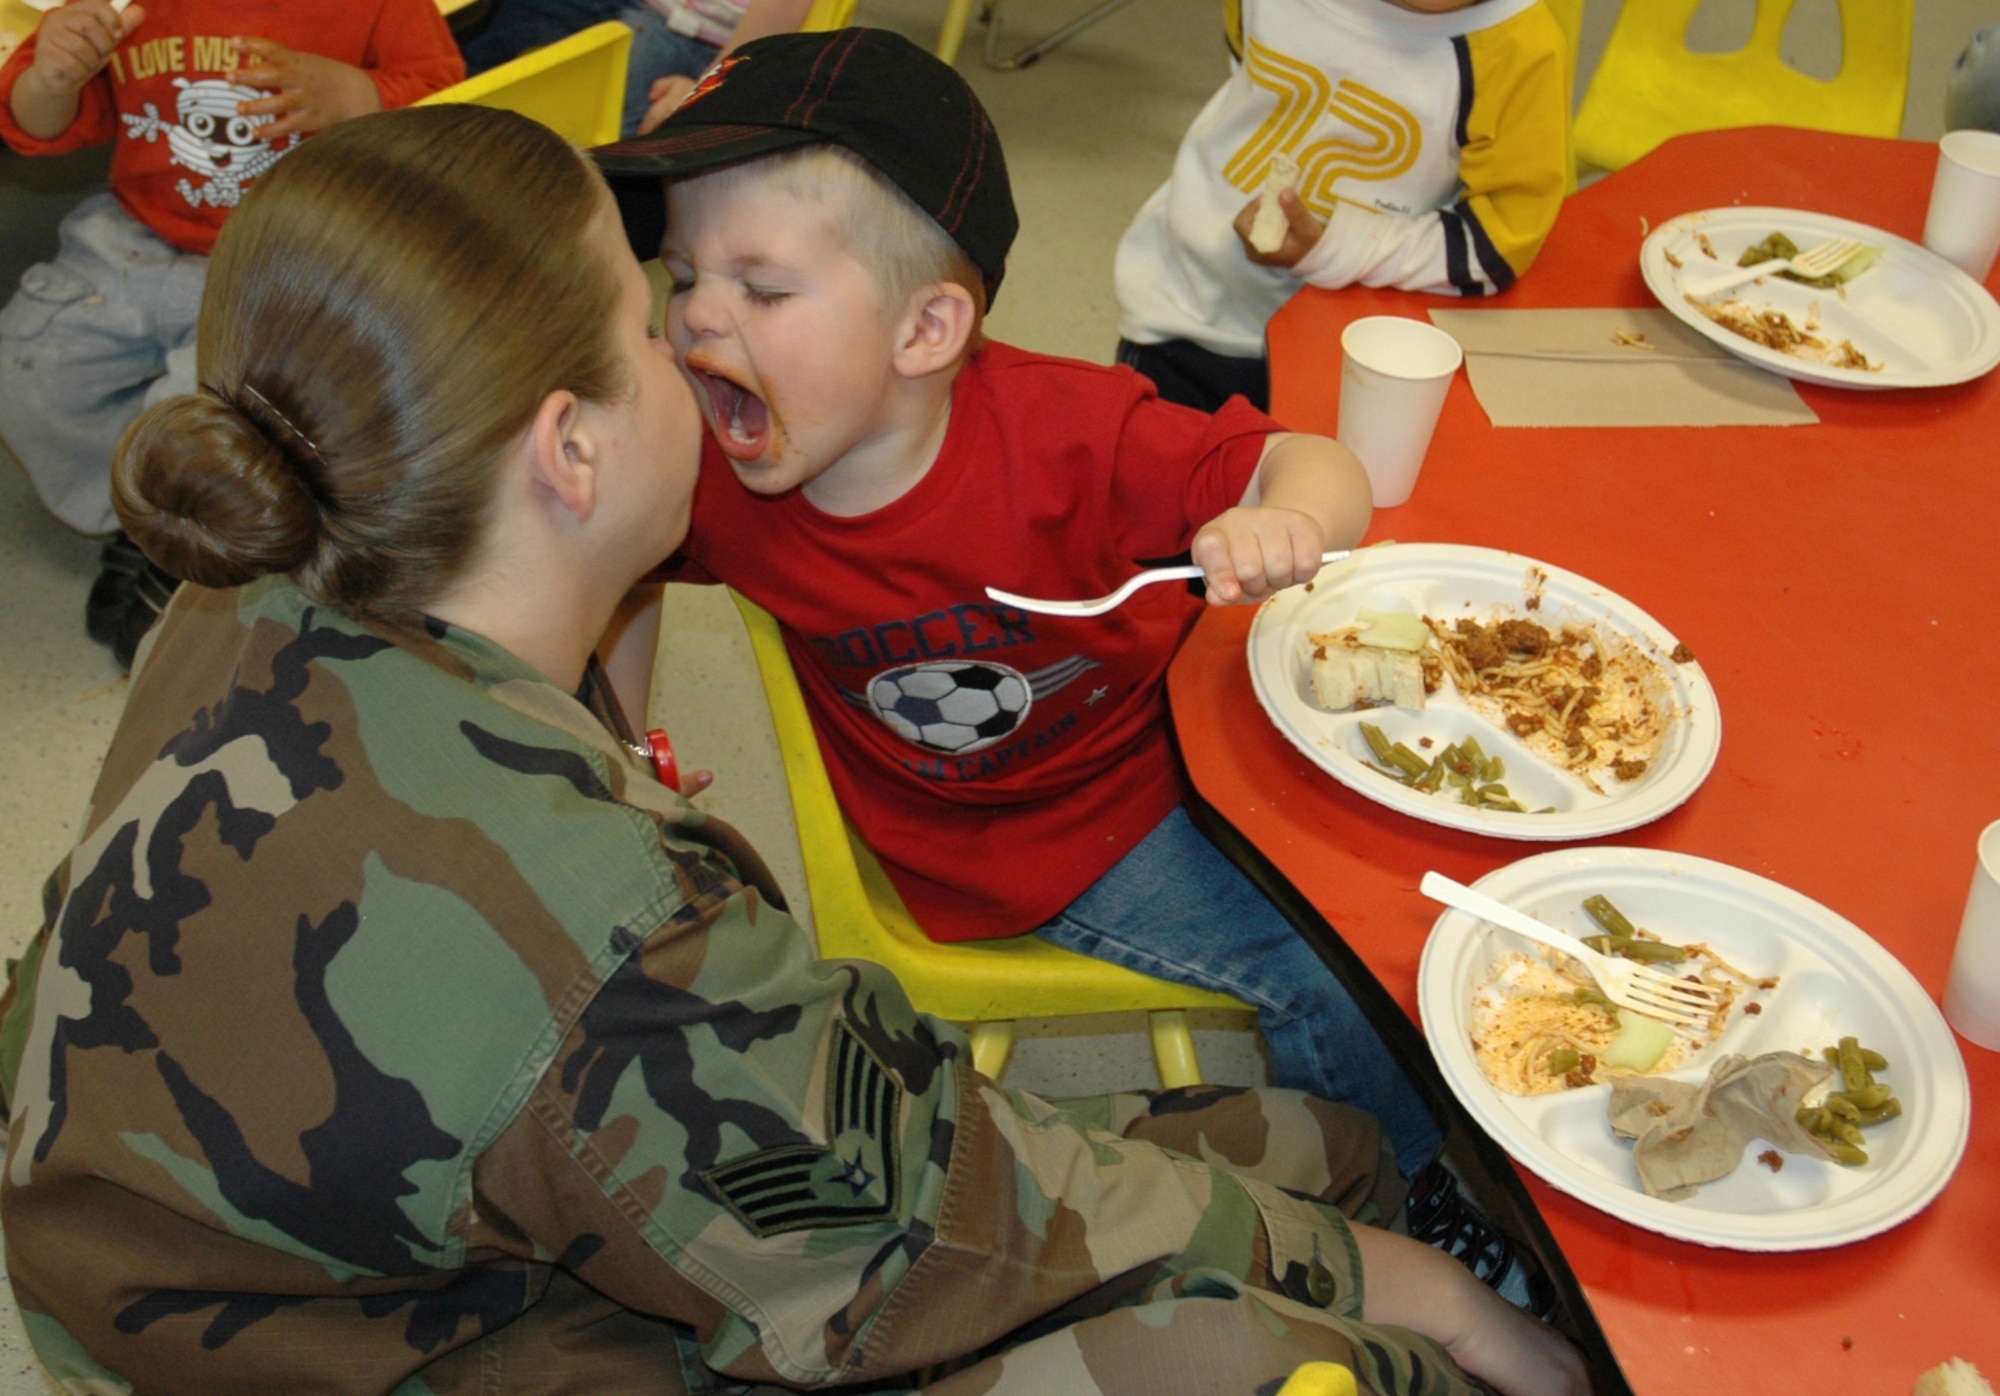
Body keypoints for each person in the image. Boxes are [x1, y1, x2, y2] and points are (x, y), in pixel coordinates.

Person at [0, 102, 1586, 1396]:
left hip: (222, 1265)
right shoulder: (622, 953)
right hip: (413, 1344)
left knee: (1330, 1146)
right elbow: (935, 1240)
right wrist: (1428, 1303)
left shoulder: (257, 578)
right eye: (650, 308)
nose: (695, 330)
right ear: (573, 449)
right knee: (1304, 1350)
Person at [594, 26, 1548, 1308]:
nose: (700, 314)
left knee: (1423, 843)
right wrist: (621, 746)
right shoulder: (713, 480)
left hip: (1183, 732)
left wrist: (1286, 521)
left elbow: (1311, 465)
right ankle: (1435, 1200)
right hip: (1024, 838)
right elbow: (618, 562)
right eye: (684, 276)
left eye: (761, 290)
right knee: (1331, 955)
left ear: (928, 325)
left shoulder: (1066, 431)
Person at [0, 0, 463, 670]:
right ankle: (140, 510)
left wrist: (365, 94)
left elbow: (455, 113)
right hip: (134, 237)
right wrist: (50, 80)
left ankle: (181, 522)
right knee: (25, 369)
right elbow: (37, 122)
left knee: (204, 415)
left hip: (286, 254)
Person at [1113, 0, 1570, 412]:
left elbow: (1498, 242)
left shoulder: (1518, 48)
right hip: (1180, 306)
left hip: (1345, 353)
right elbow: (1246, 68)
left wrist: (1333, 249)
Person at [455, 0, 813, 138]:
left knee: (600, 124)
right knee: (500, 25)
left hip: (695, 34)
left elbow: (779, 13)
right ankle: (455, 121)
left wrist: (707, 88)